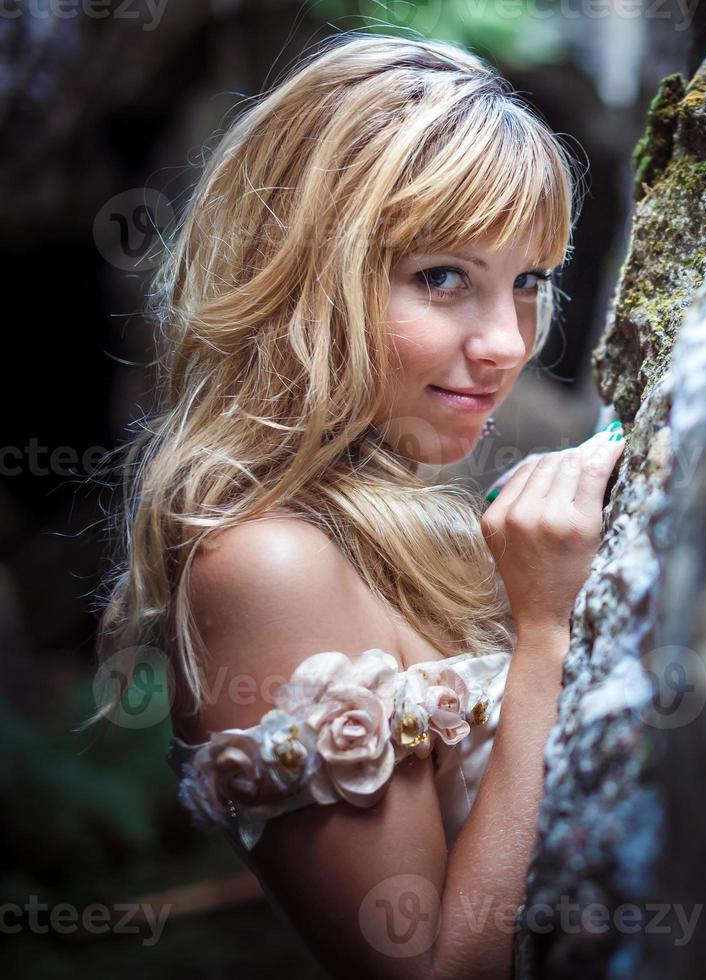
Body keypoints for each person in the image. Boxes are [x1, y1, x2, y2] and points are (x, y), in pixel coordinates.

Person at [80, 33, 625, 980]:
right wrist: (542, 634)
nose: (507, 342)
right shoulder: (266, 565)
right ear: (304, 274)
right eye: (443, 277)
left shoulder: (393, 520)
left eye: (529, 282)